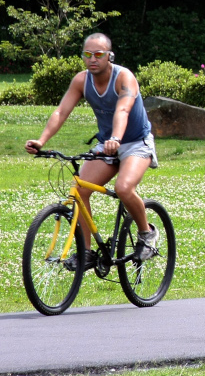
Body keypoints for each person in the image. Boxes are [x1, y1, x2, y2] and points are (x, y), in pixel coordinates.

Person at [24, 33, 159, 269]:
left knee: (123, 188)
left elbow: (123, 110)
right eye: (88, 54)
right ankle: (85, 252)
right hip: (107, 144)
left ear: (109, 56)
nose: (93, 59)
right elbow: (61, 112)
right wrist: (41, 141)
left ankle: (147, 234)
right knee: (80, 189)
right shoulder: (81, 80)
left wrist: (116, 138)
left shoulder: (124, 77)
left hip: (136, 142)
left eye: (98, 54)